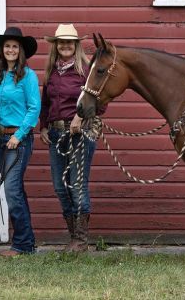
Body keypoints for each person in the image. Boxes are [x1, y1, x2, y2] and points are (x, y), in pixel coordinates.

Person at [40, 24, 103, 252]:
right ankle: (73, 236)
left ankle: (81, 241)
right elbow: (45, 103)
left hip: (79, 134)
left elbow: (99, 103)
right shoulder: (51, 72)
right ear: (55, 46)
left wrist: (79, 116)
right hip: (56, 134)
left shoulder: (86, 71)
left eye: (70, 42)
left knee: (77, 185)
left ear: (76, 45)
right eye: (61, 42)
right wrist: (43, 127)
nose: (65, 45)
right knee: (60, 186)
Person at [0, 26, 41, 257]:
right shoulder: (0, 76)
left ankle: (22, 245)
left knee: (12, 191)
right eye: (7, 46)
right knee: (17, 191)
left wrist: (19, 136)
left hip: (18, 140)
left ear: (21, 50)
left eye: (15, 46)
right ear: (1, 50)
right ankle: (28, 243)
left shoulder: (28, 75)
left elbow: (34, 108)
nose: (11, 50)